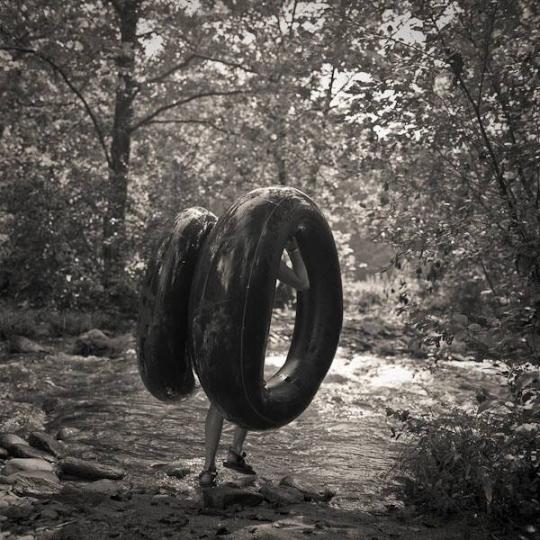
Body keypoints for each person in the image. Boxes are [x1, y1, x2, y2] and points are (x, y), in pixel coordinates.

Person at [198, 236, 310, 487]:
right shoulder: (267, 259)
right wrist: (293, 248)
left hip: (216, 329)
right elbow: (303, 283)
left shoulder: (223, 254)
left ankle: (210, 467)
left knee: (218, 399)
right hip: (247, 337)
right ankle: (233, 452)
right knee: (249, 391)